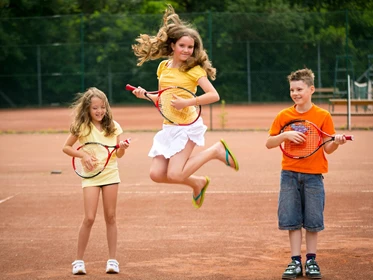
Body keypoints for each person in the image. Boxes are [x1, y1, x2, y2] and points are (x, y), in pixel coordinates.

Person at [129, 5, 239, 209]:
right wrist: (145, 95)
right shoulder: (162, 67)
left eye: (191, 47)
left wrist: (188, 102)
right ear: (172, 46)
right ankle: (198, 182)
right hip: (169, 126)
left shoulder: (194, 70)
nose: (187, 50)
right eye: (182, 46)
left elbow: (214, 95)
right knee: (156, 174)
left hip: (187, 126)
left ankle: (216, 151)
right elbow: (163, 98)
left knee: (175, 173)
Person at [265, 68, 349, 279]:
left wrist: (336, 142)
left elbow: (327, 148)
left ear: (311, 89)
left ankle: (311, 260)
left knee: (313, 221)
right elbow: (269, 143)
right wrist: (285, 135)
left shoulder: (323, 116)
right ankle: (295, 262)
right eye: (292, 89)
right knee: (292, 220)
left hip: (314, 176)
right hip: (289, 175)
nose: (295, 93)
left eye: (300, 89)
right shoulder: (284, 116)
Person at [62, 87, 130, 275]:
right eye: (95, 108)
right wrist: (82, 155)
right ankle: (78, 261)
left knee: (111, 217)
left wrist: (122, 147)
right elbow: (66, 148)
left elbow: (118, 154)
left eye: (102, 107)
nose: (99, 111)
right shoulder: (82, 127)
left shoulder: (114, 126)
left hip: (110, 174)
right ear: (87, 109)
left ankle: (112, 261)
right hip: (91, 177)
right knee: (89, 218)